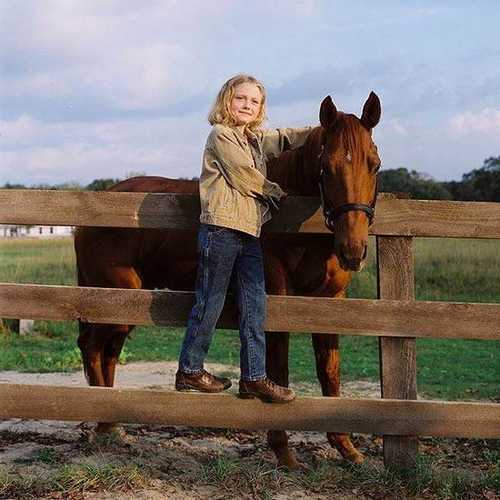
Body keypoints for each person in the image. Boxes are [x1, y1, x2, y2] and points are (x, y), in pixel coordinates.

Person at [176, 74, 312, 403]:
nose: (247, 105)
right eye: (241, 99)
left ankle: (253, 376)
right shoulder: (221, 135)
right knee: (211, 301)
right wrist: (274, 191)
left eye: (254, 101)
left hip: (249, 234)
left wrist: (321, 131)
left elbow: (282, 138)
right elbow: (243, 174)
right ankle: (189, 369)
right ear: (227, 101)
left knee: (255, 306)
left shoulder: (252, 140)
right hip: (221, 231)